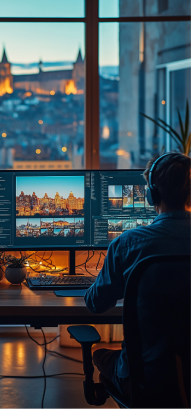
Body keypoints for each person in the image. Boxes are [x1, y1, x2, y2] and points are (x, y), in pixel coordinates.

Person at [85, 152, 191, 400]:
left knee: (101, 356)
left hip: (148, 378)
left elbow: (95, 304)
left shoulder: (128, 244)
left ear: (151, 194)